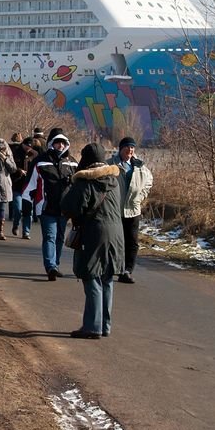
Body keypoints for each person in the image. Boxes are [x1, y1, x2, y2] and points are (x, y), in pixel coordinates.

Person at [63, 142, 125, 339]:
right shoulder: (115, 180)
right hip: (116, 233)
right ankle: (105, 325)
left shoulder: (85, 182)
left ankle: (92, 326)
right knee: (107, 278)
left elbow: (70, 207)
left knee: (91, 277)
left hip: (93, 232)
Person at [21, 132, 76, 280]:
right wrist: (26, 204)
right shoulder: (40, 161)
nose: (61, 145)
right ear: (52, 143)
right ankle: (50, 266)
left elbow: (78, 186)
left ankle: (55, 265)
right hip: (46, 207)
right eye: (58, 142)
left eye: (63, 142)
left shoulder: (72, 162)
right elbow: (30, 183)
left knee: (59, 238)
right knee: (50, 237)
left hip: (64, 208)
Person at [108, 136, 153, 284]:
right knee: (116, 241)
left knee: (132, 242)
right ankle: (115, 267)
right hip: (115, 209)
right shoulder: (110, 164)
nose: (130, 150)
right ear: (121, 149)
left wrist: (141, 196)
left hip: (133, 209)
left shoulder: (140, 166)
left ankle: (127, 270)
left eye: (132, 148)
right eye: (127, 147)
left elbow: (149, 181)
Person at [8, 132, 40, 239]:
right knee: (17, 208)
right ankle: (16, 225)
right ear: (23, 144)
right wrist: (18, 171)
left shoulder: (35, 155)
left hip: (29, 186)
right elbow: (10, 166)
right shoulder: (15, 152)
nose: (28, 149)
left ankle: (26, 232)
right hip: (17, 184)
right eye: (27, 146)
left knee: (28, 210)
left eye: (31, 148)